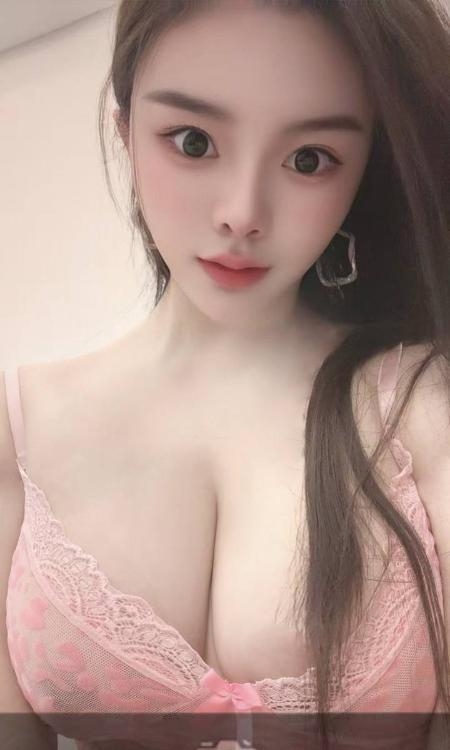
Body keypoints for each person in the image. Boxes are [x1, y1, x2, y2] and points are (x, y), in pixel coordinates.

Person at [1, 0, 450, 748]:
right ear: (125, 132)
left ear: (363, 171)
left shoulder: (422, 408)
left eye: (310, 159)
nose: (243, 214)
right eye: (194, 141)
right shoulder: (20, 429)